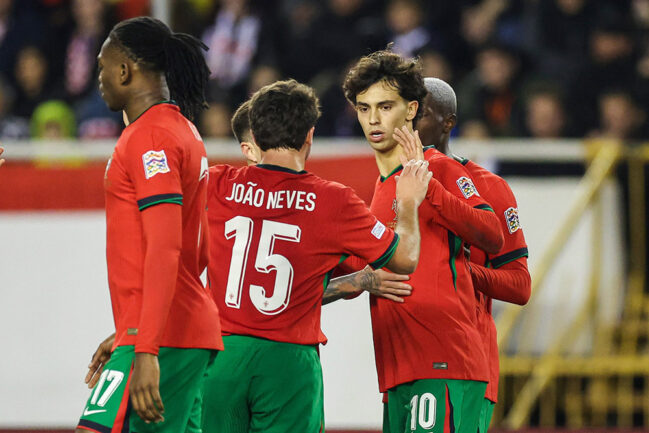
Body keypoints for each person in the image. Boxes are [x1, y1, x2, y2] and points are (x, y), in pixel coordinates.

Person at [202, 78, 432, 433]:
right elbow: (404, 259)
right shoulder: (332, 201)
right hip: (287, 361)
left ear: (255, 137)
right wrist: (408, 202)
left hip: (219, 354)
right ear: (310, 135)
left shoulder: (216, 183)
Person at [342, 50, 504, 433]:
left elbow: (491, 233)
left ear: (411, 109)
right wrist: (356, 279)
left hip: (443, 359)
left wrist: (430, 190)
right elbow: (361, 269)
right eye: (364, 108)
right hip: (399, 368)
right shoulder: (380, 189)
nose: (374, 119)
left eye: (385, 106)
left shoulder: (439, 167)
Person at [76, 17, 222, 433]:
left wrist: (146, 346)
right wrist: (130, 330)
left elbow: (165, 246)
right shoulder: (182, 130)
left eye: (103, 66)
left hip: (165, 336)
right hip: (173, 330)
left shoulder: (150, 138)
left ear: (125, 70)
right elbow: (198, 252)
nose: (99, 77)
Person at [403, 77, 531, 432]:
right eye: (406, 112)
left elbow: (520, 285)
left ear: (448, 122)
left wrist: (454, 271)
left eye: (421, 113)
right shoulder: (392, 182)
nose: (409, 123)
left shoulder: (490, 187)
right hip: (405, 359)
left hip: (463, 360)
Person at [229, 97, 414, 304]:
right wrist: (408, 202)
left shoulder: (220, 190)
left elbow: (286, 293)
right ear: (250, 148)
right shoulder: (325, 201)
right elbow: (401, 258)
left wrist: (357, 281)